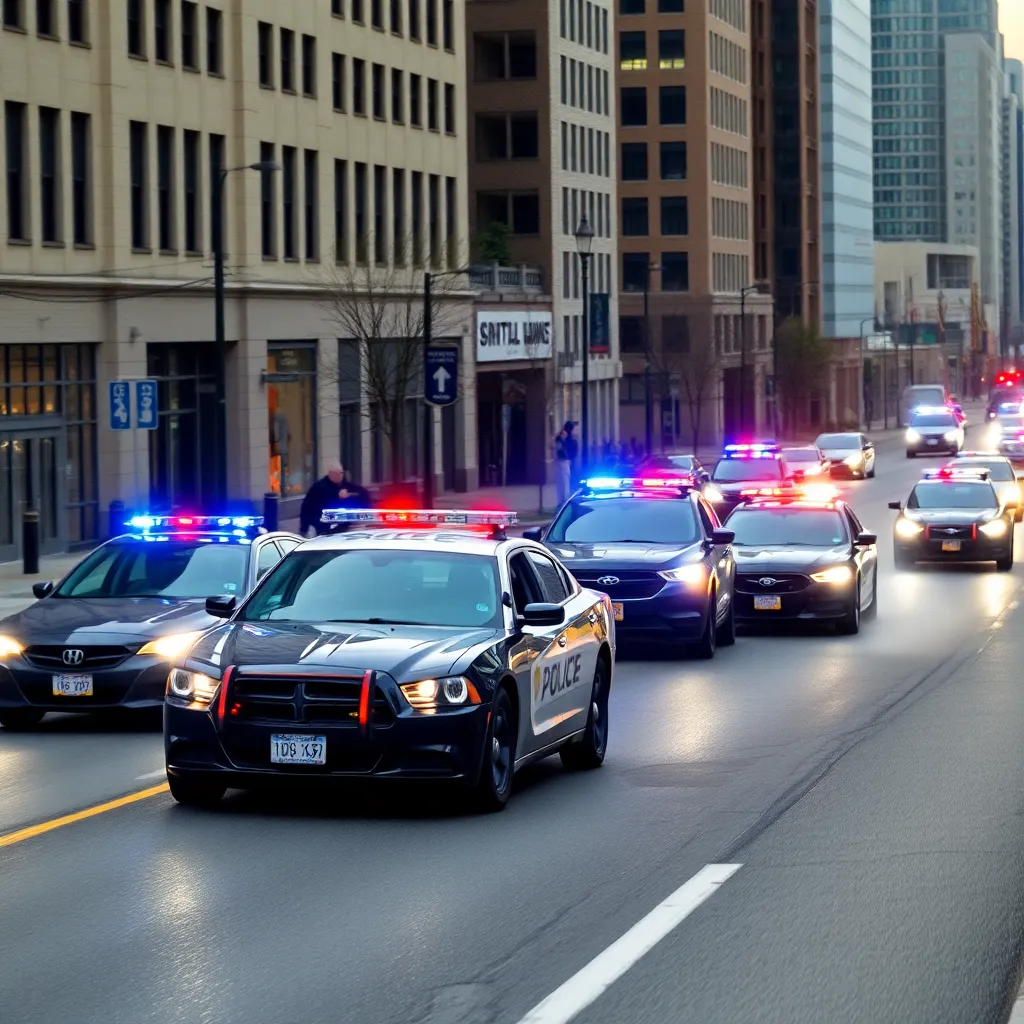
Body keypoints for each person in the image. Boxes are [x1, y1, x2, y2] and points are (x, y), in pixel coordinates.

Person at [299, 461, 372, 537]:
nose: (340, 476)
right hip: (324, 527)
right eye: (337, 474)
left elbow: (363, 493)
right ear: (330, 473)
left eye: (341, 473)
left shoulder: (347, 485)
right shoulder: (319, 487)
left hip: (344, 527)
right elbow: (307, 508)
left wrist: (350, 494)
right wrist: (304, 528)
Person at [554, 422, 578, 506]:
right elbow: (573, 452)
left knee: (561, 483)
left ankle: (561, 501)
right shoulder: (569, 439)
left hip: (562, 462)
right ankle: (564, 502)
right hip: (565, 462)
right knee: (565, 483)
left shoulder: (561, 438)